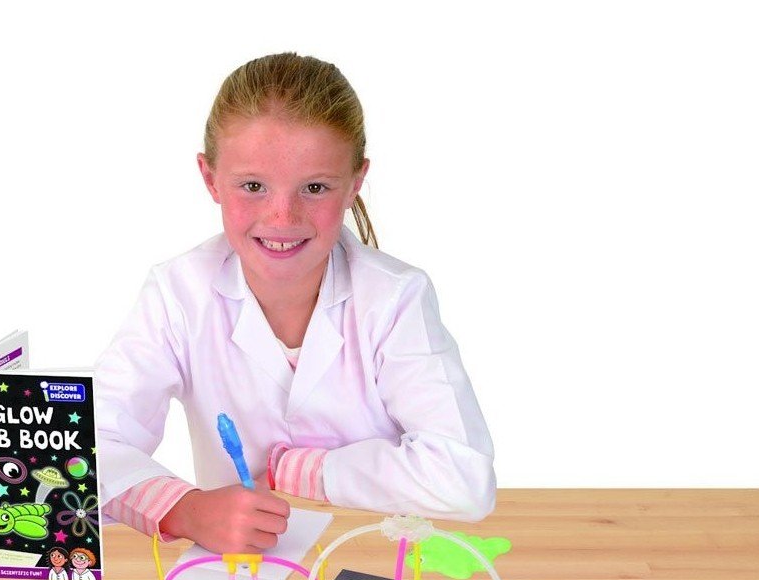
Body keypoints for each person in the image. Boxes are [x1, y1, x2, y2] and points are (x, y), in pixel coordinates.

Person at [96, 52, 495, 554]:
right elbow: (89, 444)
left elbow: (463, 475)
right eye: (253, 186)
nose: (282, 217)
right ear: (210, 178)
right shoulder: (178, 293)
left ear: (355, 183)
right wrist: (185, 510)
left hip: (370, 563)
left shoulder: (395, 298)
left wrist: (296, 470)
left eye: (315, 188)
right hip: (240, 570)